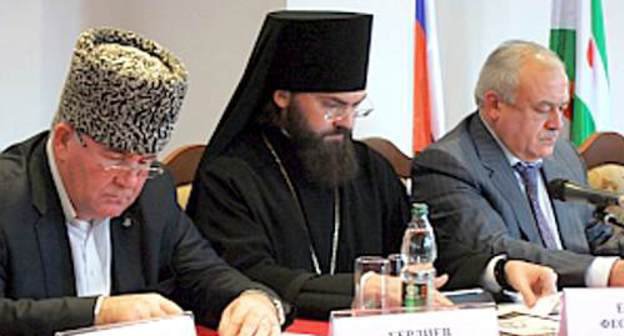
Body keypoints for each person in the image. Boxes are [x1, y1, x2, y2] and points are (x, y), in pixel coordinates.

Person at [186, 11, 557, 320]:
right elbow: (246, 276)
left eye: (355, 106)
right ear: (282, 96)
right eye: (332, 106)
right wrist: (363, 287)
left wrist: (500, 270)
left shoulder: (368, 168)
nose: (346, 122)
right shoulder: (230, 176)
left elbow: (426, 251)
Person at [0, 27, 289, 336]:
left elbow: (203, 274)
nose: (130, 181)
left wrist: (254, 299)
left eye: (145, 161)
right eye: (116, 158)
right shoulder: (8, 195)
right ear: (63, 139)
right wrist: (98, 312)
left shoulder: (153, 191)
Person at [411, 40, 624, 291]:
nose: (557, 124)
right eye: (543, 109)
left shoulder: (563, 155)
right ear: (494, 105)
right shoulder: (448, 164)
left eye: (562, 108)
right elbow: (495, 247)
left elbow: (594, 234)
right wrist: (605, 272)